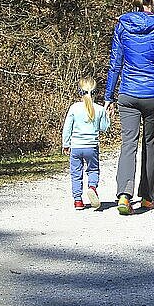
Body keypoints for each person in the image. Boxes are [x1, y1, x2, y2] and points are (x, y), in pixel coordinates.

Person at [105, 0, 154, 215]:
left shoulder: (122, 26)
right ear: (152, 0)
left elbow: (115, 63)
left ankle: (124, 196)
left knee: (128, 144)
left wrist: (108, 96)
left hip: (127, 93)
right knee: (151, 145)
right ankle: (147, 198)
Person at [62, 77, 110, 210]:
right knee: (93, 169)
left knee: (76, 173)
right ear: (95, 92)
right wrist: (108, 116)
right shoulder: (99, 109)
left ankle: (78, 200)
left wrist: (66, 144)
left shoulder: (74, 108)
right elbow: (104, 128)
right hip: (91, 147)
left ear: (79, 91)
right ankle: (92, 187)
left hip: (76, 146)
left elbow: (67, 128)